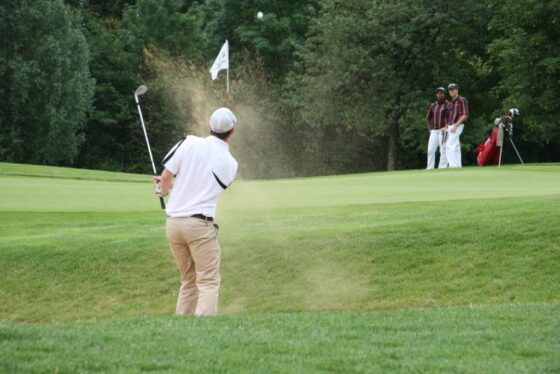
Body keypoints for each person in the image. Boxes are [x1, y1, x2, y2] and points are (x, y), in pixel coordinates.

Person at [153, 107, 238, 316]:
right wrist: (172, 186)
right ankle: (204, 330)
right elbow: (206, 188)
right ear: (232, 131)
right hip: (199, 225)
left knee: (188, 280)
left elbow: (166, 178)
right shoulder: (230, 163)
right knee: (208, 280)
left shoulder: (188, 142)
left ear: (209, 126)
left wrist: (163, 189)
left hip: (173, 224)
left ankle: (182, 326)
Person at [445, 83, 469, 168]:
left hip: (458, 125)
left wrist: (456, 125)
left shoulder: (462, 100)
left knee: (449, 145)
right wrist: (446, 126)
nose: (452, 91)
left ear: (457, 90)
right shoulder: (450, 103)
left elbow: (465, 114)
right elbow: (449, 117)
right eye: (450, 90)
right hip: (451, 125)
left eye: (453, 89)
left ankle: (453, 165)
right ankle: (458, 166)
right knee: (456, 146)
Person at [425, 87, 449, 169]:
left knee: (443, 150)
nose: (439, 95)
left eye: (441, 93)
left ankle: (442, 167)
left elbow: (451, 118)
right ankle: (430, 168)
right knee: (430, 150)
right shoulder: (433, 105)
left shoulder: (448, 105)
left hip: (444, 130)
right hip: (434, 131)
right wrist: (429, 129)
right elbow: (428, 118)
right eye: (438, 93)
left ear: (445, 95)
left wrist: (446, 127)